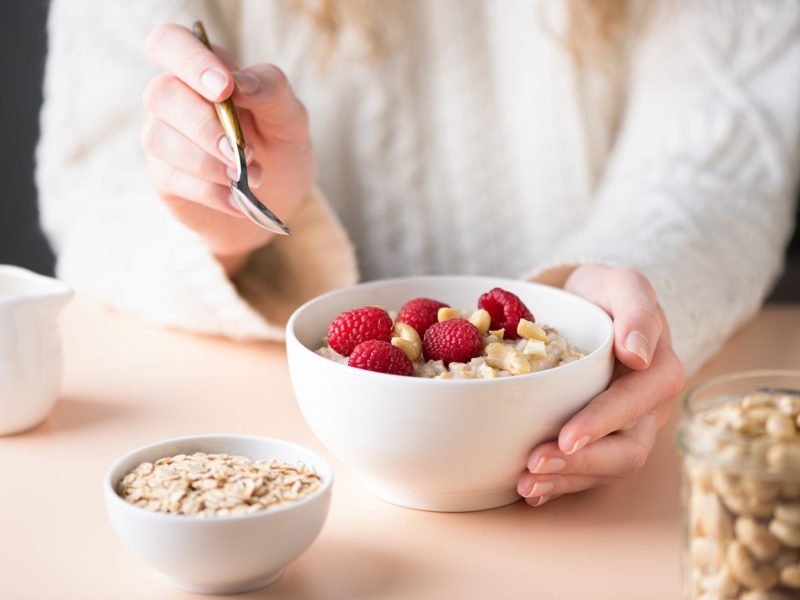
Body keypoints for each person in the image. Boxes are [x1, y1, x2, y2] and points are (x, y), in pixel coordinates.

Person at [37, 0, 800, 507]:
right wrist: (227, 218)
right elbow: (96, 182)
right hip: (303, 461)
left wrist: (615, 289)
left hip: (603, 496)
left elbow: (721, 155)